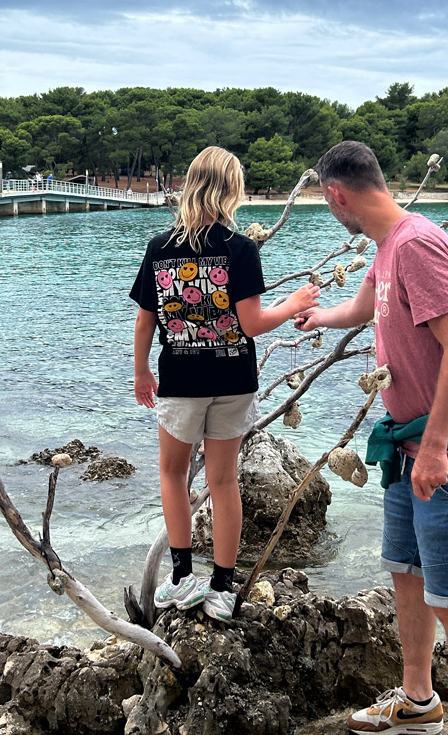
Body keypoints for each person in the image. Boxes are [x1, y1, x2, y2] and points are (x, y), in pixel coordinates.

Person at [295, 141, 448, 735]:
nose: (327, 206)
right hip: (405, 443)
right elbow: (367, 307)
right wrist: (320, 316)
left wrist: (437, 447)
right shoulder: (387, 246)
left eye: (324, 199)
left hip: (446, 447)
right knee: (407, 573)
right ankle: (418, 699)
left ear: (337, 195)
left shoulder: (416, 244)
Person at [130, 146, 320, 622]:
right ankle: (222, 588)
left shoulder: (160, 249)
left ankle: (181, 578)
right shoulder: (240, 249)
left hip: (181, 380)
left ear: (192, 185)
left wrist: (141, 371)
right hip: (235, 379)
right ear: (231, 190)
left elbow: (144, 323)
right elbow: (252, 324)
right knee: (222, 480)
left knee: (173, 474)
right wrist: (296, 302)